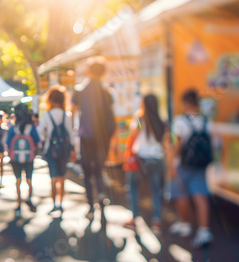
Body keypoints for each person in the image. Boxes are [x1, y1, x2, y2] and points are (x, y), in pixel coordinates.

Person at [71, 56, 116, 216]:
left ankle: (91, 204)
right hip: (103, 137)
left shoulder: (80, 90)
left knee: (87, 170)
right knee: (99, 168)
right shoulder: (107, 91)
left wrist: (72, 136)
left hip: (85, 136)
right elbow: (111, 116)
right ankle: (102, 193)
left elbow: (73, 112)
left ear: (88, 71)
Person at [168, 89, 213, 248]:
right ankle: (204, 231)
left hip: (183, 165)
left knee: (181, 195)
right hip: (200, 165)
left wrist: (171, 164)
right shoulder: (207, 121)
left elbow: (177, 144)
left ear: (185, 103)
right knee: (201, 197)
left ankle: (185, 224)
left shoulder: (180, 121)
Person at [123, 94, 167, 233]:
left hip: (140, 159)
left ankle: (134, 218)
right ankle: (156, 221)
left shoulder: (140, 119)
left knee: (133, 188)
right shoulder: (162, 121)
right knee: (156, 191)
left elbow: (133, 134)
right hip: (158, 159)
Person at [39, 86, 75, 214]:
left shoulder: (46, 116)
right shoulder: (67, 115)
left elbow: (41, 134)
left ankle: (54, 204)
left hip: (50, 150)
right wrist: (73, 150)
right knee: (62, 177)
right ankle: (61, 203)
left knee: (53, 178)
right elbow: (71, 135)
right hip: (64, 151)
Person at [7, 104, 40, 214]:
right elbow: (38, 143)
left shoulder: (13, 128)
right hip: (29, 158)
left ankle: (18, 201)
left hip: (15, 158)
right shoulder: (31, 128)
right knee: (29, 180)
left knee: (18, 180)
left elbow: (7, 144)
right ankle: (29, 199)